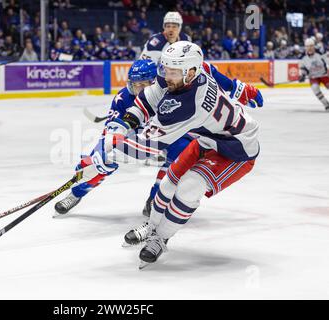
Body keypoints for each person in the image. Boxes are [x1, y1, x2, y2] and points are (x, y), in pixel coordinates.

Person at [101, 41, 261, 268]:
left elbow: (146, 147)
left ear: (191, 72)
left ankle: (161, 237)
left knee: (188, 188)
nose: (167, 76)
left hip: (236, 149)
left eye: (173, 72)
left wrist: (111, 145)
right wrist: (123, 123)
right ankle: (152, 225)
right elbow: (147, 100)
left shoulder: (189, 103)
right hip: (208, 139)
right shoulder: (185, 76)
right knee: (168, 183)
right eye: (166, 69)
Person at [54, 60, 160, 215]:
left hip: (159, 140)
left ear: (153, 83)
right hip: (130, 139)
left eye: (143, 85)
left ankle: (155, 200)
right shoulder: (123, 97)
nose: (138, 89)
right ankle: (76, 193)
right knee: (99, 161)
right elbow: (111, 130)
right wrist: (97, 155)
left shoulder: (163, 97)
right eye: (135, 85)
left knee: (175, 160)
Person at [299, 38, 329, 111]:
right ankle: (326, 104)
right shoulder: (302, 57)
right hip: (313, 77)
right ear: (305, 47)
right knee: (315, 88)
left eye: (311, 46)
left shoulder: (321, 52)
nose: (310, 48)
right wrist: (302, 75)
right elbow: (303, 68)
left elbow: (327, 61)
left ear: (314, 46)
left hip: (324, 75)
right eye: (308, 46)